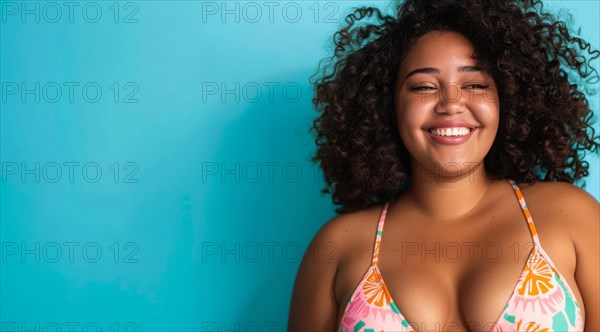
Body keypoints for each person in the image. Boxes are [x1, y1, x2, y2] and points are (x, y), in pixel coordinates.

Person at [288, 0, 600, 331]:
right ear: (387, 106)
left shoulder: (570, 216)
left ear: (507, 98)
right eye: (423, 87)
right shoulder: (338, 247)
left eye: (475, 85)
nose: (451, 103)